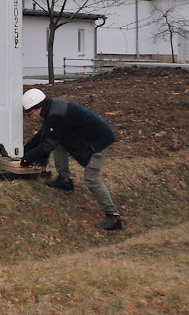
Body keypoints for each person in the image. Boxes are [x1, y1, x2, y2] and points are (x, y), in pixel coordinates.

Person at [21, 87, 122, 230]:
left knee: (91, 179)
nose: (32, 116)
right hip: (90, 137)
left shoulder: (55, 114)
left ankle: (113, 217)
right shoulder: (51, 108)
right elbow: (42, 136)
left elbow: (47, 145)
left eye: (31, 113)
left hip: (99, 141)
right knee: (58, 143)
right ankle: (64, 181)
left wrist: (27, 159)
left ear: (38, 108)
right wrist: (24, 151)